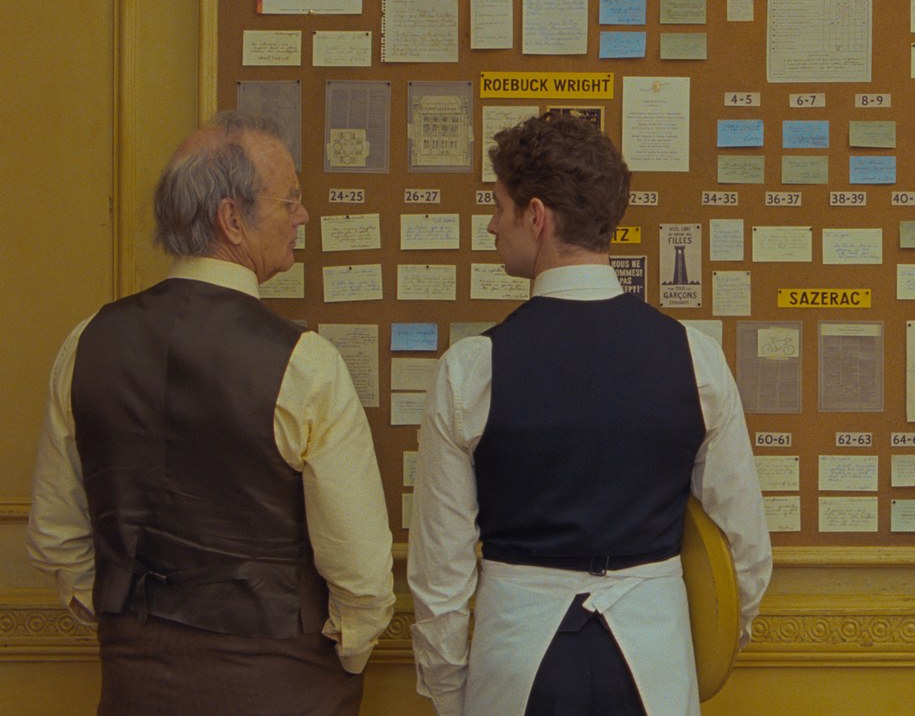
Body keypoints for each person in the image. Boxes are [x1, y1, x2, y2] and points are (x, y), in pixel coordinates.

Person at [26, 111, 395, 716]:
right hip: (283, 682)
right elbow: (360, 571)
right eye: (290, 201)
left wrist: (128, 626)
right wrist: (346, 652)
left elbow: (55, 535)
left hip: (134, 680)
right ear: (231, 219)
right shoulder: (305, 362)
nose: (302, 216)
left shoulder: (86, 342)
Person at [409, 112, 771, 716]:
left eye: (498, 207)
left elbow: (440, 575)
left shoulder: (470, 370)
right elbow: (744, 551)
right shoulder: (696, 358)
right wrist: (704, 648)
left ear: (536, 216)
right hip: (656, 663)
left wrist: (450, 694)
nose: (491, 225)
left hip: (516, 662)